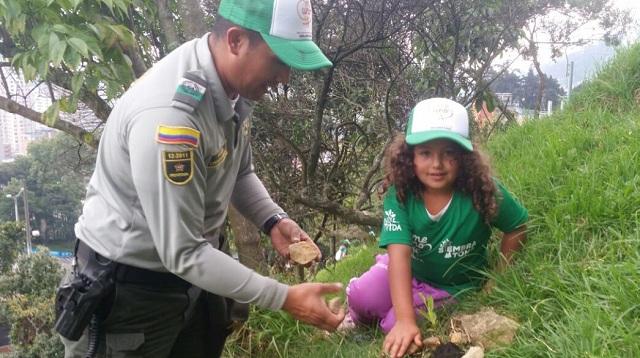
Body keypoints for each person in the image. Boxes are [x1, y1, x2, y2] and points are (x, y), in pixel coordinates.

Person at [55, 0, 345, 357]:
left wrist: (273, 219)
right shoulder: (171, 117)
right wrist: (283, 298)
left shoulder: (232, 85)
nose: (285, 77)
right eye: (278, 60)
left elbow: (238, 170)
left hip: (192, 281)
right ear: (236, 41)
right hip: (129, 295)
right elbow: (183, 250)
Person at [342, 98, 528, 358]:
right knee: (362, 296)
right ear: (410, 156)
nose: (437, 164)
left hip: (452, 285)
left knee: (392, 325)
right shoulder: (401, 194)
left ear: (464, 156)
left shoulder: (483, 190)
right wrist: (407, 320)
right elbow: (399, 254)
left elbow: (517, 226)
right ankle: (356, 317)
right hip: (408, 270)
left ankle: (392, 316)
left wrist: (499, 276)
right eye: (425, 153)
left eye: (448, 153)